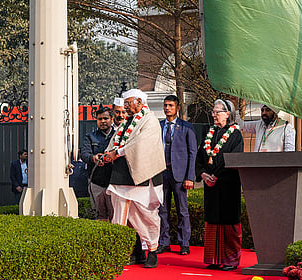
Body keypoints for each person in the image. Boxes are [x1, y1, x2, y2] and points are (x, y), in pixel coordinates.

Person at [103, 89, 166, 268]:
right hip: (120, 176)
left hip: (141, 177)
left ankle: (152, 250)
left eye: (128, 103)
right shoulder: (126, 123)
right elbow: (115, 141)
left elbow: (141, 144)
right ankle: (130, 253)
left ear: (139, 102)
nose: (126, 107)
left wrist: (117, 153)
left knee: (145, 216)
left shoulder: (150, 121)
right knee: (120, 217)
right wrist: (107, 154)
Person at [195, 99, 244, 271]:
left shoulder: (235, 134)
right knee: (212, 220)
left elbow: (234, 159)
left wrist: (216, 175)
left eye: (218, 112)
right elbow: (200, 157)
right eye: (213, 112)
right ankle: (214, 259)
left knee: (229, 221)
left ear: (228, 114)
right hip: (211, 185)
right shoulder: (208, 133)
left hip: (227, 184)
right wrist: (202, 173)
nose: (214, 115)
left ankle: (231, 260)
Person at [156, 95, 197, 256]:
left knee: (182, 211)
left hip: (180, 175)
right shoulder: (158, 126)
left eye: (171, 105)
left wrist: (190, 177)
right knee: (162, 210)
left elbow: (192, 153)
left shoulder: (186, 127)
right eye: (165, 105)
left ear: (177, 108)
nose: (167, 108)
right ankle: (164, 242)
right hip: (162, 173)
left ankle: (184, 243)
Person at [80, 106, 115, 220]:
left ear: (111, 119)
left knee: (115, 215)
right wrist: (93, 158)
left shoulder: (118, 136)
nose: (103, 122)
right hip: (96, 182)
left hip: (114, 182)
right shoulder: (90, 137)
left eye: (106, 118)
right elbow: (84, 154)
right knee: (99, 215)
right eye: (100, 119)